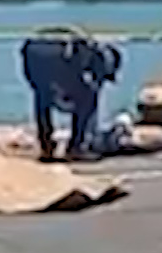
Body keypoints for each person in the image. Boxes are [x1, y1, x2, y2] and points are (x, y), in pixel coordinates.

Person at [20, 26, 121, 162]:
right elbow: (92, 86)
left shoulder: (94, 49)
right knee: (88, 101)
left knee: (42, 98)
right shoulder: (102, 57)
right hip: (65, 57)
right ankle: (76, 147)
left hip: (36, 55)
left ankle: (47, 147)